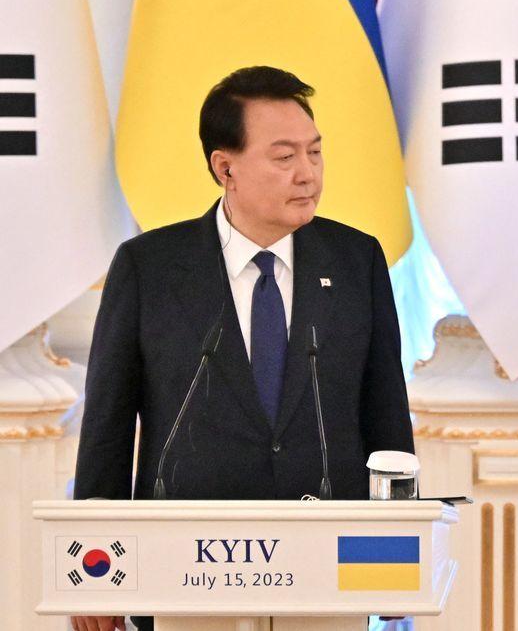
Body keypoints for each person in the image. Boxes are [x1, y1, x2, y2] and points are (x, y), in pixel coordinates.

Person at [72, 67, 414, 631]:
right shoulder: (149, 268)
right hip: (185, 569)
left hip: (323, 567)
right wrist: (95, 576)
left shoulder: (356, 262)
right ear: (224, 167)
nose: (307, 174)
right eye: (284, 157)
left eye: (315, 153)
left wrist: (397, 562)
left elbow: (385, 418)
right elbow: (107, 429)